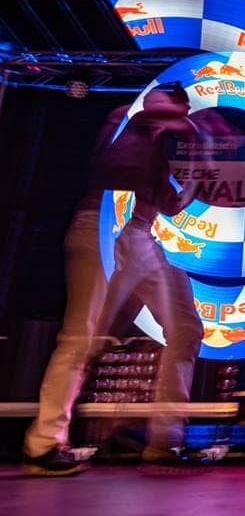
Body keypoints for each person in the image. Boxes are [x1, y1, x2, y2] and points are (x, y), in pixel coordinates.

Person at [23, 83, 203, 475]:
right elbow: (124, 158)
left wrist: (194, 167)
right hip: (101, 226)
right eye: (174, 105)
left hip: (138, 235)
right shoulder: (125, 119)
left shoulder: (157, 150)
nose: (178, 114)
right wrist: (191, 128)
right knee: (80, 337)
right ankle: (44, 443)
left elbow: (170, 205)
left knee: (186, 328)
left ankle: (166, 440)